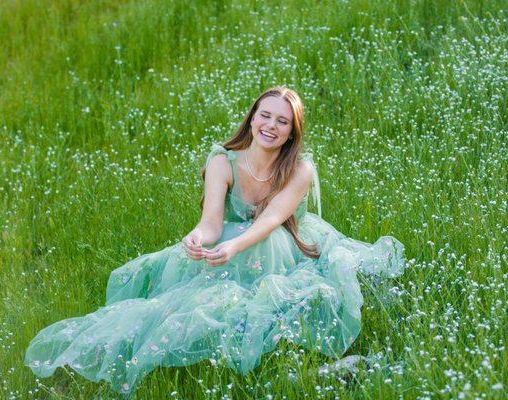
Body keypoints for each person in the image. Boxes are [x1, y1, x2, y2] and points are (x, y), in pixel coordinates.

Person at [24, 86, 405, 395]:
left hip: (282, 240)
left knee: (262, 253)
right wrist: (196, 239)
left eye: (282, 121)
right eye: (265, 115)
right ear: (252, 118)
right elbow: (210, 223)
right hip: (230, 237)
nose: (271, 125)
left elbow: (272, 218)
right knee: (189, 291)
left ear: (292, 132)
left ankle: (281, 353)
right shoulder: (223, 161)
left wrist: (234, 247)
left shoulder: (299, 170)